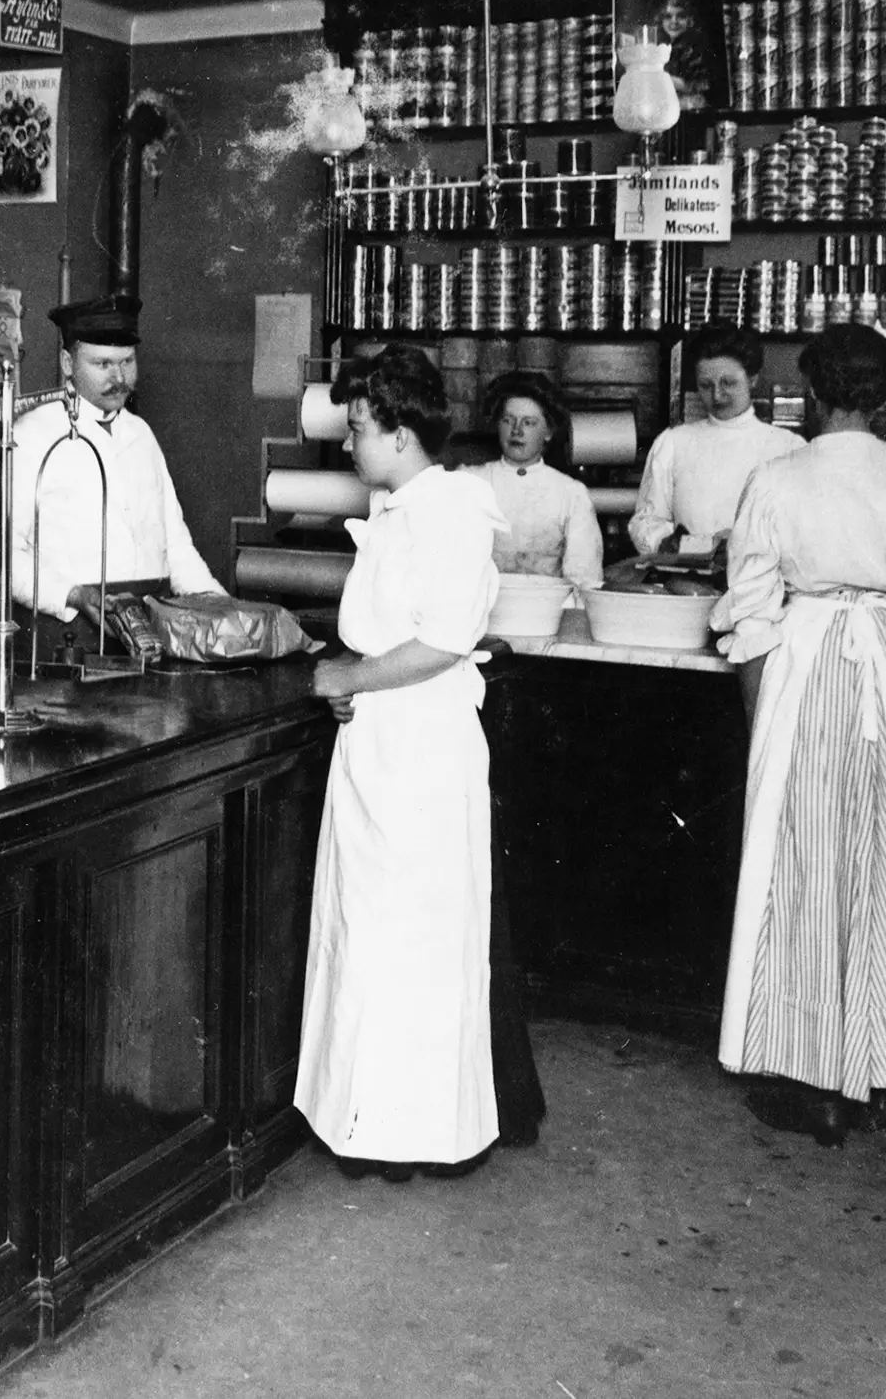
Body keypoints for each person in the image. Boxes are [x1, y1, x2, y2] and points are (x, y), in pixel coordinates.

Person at [709, 323, 886, 1144]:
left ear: (811, 394)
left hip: (806, 667)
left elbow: (750, 617)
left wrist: (762, 722)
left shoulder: (775, 479)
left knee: (803, 866)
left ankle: (815, 1081)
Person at [296, 343, 542, 1180]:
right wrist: (352, 680)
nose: (348, 443)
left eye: (358, 427)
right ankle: (367, 1126)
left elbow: (440, 640)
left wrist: (349, 677)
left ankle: (416, 1135)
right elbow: (385, 632)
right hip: (378, 744)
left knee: (414, 940)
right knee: (368, 933)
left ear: (400, 434)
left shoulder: (451, 511)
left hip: (423, 752)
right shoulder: (398, 508)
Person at [0, 294, 223, 637]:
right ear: (68, 363)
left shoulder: (140, 434)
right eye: (102, 364)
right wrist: (73, 595)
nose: (119, 377)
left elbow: (177, 548)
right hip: (65, 634)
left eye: (127, 362)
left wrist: (222, 608)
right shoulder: (29, 436)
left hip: (148, 628)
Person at [629, 321, 801, 557]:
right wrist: (672, 543)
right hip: (686, 574)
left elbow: (800, 529)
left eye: (728, 383)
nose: (717, 396)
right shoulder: (673, 443)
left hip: (762, 577)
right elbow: (645, 521)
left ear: (753, 379)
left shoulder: (788, 447)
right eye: (706, 385)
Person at [468, 369, 605, 591]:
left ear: (548, 431)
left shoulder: (571, 493)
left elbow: (584, 578)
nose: (516, 431)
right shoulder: (472, 482)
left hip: (548, 608)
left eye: (529, 423)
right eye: (508, 420)